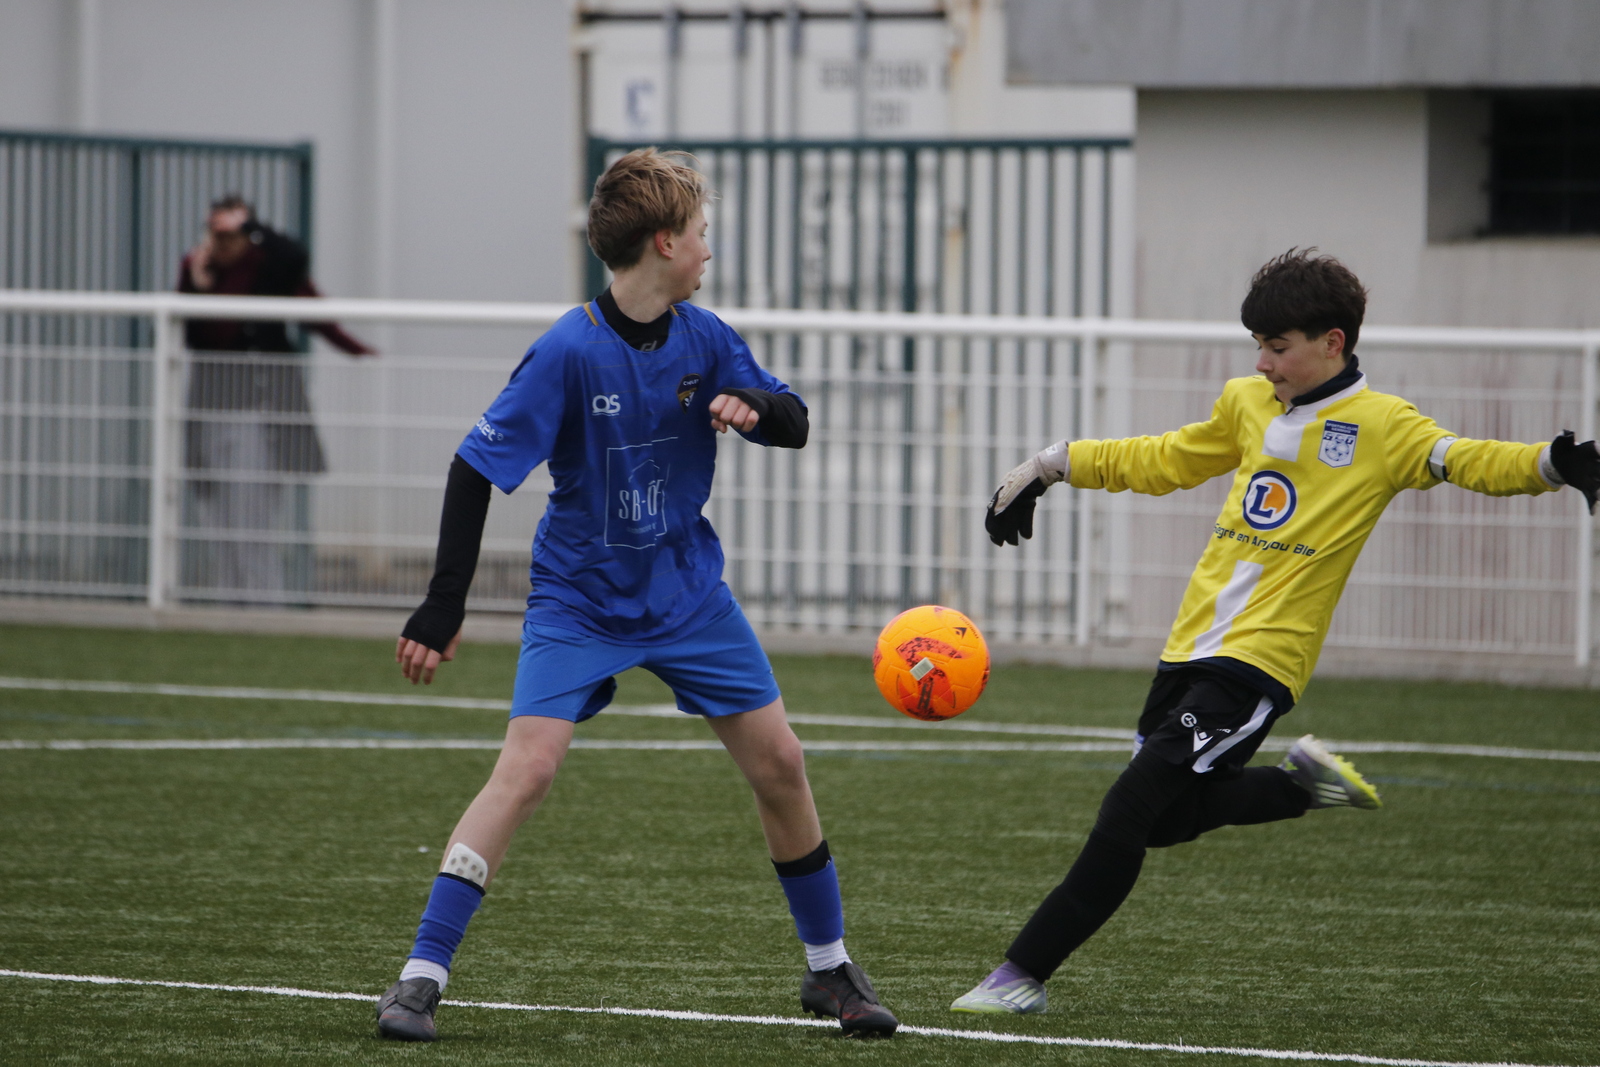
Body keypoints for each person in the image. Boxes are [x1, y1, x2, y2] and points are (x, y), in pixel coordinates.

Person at [953, 248, 1600, 1015]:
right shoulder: (1247, 402)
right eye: (1258, 345)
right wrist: (1055, 464)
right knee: (1166, 819)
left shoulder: (1385, 426)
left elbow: (1466, 459)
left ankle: (1020, 975)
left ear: (1333, 342)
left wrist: (1551, 464)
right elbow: (1167, 458)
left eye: (1279, 346)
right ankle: (1300, 785)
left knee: (1128, 807)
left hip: (1257, 665)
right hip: (1189, 648)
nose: (1263, 362)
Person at [374, 149, 899, 1041]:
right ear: (664, 242)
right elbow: (474, 467)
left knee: (781, 761)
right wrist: (443, 602)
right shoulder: (569, 349)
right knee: (528, 768)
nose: (708, 249)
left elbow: (795, 420)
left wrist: (754, 407)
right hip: (580, 600)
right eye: (700, 233)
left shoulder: (707, 337)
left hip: (688, 594)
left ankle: (829, 968)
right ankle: (420, 976)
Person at [177, 196, 374, 596]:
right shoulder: (199, 269)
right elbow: (197, 334)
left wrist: (251, 227)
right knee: (219, 526)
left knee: (253, 528)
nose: (224, 242)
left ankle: (265, 610)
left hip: (258, 413)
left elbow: (298, 266)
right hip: (209, 409)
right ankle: (231, 612)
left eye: (233, 233)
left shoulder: (269, 267)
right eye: (216, 233)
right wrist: (197, 282)